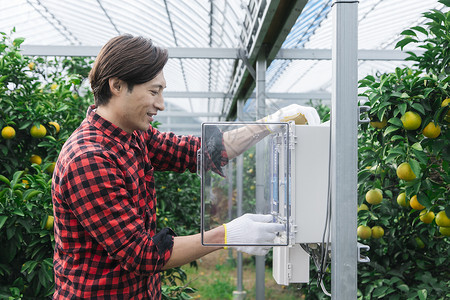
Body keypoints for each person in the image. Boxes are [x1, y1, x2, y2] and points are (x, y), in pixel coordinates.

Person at [51, 34, 320, 299]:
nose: (161, 104)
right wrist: (228, 234)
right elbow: (141, 254)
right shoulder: (89, 159)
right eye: (154, 91)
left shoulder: (133, 135)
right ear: (117, 86)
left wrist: (267, 124)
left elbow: (197, 152)